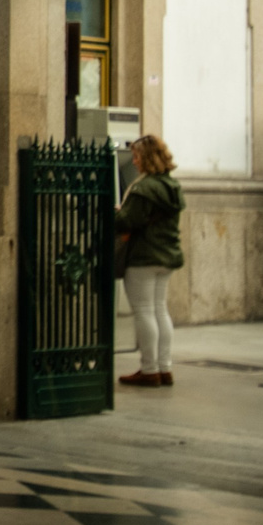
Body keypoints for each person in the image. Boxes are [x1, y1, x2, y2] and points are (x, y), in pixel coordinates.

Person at [114, 135, 187, 389]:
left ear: (147, 158)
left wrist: (115, 213)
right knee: (159, 310)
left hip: (144, 256)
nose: (134, 161)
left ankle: (149, 370)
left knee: (144, 311)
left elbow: (127, 221)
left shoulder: (144, 188)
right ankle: (164, 368)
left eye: (136, 157)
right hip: (167, 255)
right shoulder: (172, 185)